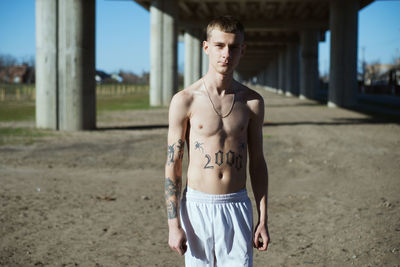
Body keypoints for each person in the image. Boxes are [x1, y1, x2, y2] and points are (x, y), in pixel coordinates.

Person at [164, 15, 269, 267]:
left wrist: (263, 220)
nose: (226, 54)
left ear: (242, 50)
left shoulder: (252, 102)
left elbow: (257, 162)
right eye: (220, 45)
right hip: (197, 207)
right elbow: (173, 164)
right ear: (206, 47)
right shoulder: (185, 100)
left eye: (234, 47)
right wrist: (173, 224)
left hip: (236, 204)